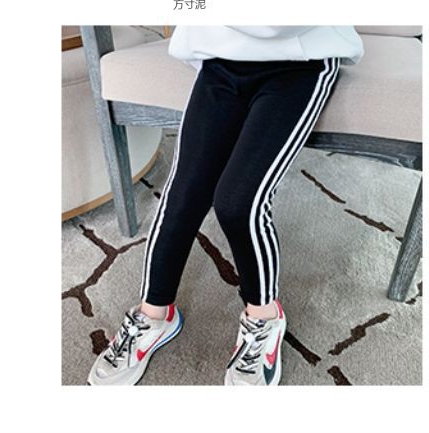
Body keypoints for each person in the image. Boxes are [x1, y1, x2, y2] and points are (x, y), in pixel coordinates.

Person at [87, 25, 364, 386]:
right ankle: (155, 314)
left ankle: (264, 316)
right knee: (181, 197)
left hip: (301, 63)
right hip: (220, 61)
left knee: (239, 203)